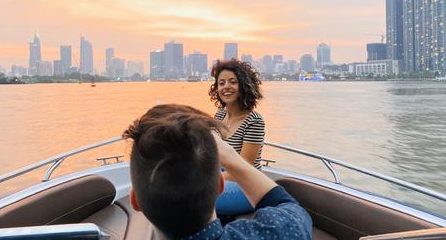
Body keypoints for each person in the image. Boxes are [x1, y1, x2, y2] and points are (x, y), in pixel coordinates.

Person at [123, 104, 312, 240]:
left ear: (135, 200)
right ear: (220, 185)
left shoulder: (252, 120)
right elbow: (290, 208)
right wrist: (229, 155)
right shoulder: (280, 231)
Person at [208, 59, 265, 216]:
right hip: (222, 175)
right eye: (221, 83)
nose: (226, 86)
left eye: (233, 82)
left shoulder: (254, 121)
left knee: (196, 198)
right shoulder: (220, 114)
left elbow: (243, 169)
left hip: (247, 186)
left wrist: (206, 180)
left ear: (243, 86)